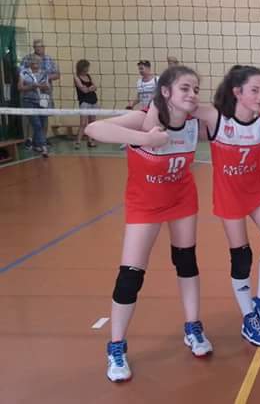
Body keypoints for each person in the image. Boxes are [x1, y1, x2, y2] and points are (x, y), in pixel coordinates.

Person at [146, 65, 260, 347]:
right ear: (237, 92)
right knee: (242, 257)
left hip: (255, 191)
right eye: (255, 90)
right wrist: (158, 104)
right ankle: (248, 317)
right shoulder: (216, 117)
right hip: (229, 196)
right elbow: (176, 104)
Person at [86, 65, 213, 382]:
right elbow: (94, 129)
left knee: (186, 261)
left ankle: (193, 327)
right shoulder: (142, 119)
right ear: (166, 91)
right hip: (144, 204)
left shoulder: (194, 122)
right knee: (130, 276)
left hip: (182, 198)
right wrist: (145, 138)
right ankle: (116, 346)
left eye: (196, 89)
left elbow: (229, 121)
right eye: (185, 88)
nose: (192, 94)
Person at [17, 54, 50, 157]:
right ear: (30, 62)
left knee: (42, 123)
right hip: (28, 101)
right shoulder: (24, 72)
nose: (36, 63)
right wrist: (31, 86)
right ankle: (44, 147)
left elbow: (47, 87)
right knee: (37, 124)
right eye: (34, 61)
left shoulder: (44, 73)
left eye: (38, 61)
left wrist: (41, 86)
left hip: (42, 99)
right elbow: (20, 87)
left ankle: (36, 144)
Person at [73, 59, 98, 148]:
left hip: (93, 100)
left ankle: (90, 141)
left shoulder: (89, 76)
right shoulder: (77, 78)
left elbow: (95, 87)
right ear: (82, 67)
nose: (88, 69)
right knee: (83, 123)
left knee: (92, 123)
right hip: (84, 102)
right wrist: (90, 88)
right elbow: (83, 90)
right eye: (86, 67)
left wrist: (89, 88)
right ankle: (78, 142)